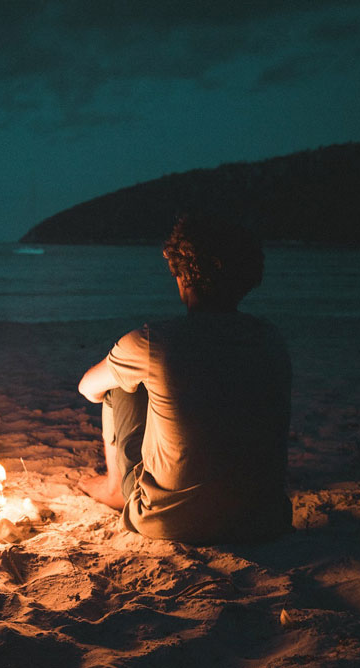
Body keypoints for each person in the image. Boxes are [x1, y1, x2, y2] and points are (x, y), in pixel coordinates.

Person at [77, 215, 292, 544]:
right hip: (264, 519)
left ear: (183, 277)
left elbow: (87, 388)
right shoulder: (271, 339)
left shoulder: (154, 341)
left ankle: (114, 487)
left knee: (119, 385)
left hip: (170, 521)